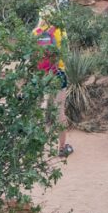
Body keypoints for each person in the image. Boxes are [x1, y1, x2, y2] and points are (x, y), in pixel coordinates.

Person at [33, 12, 73, 157]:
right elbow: (66, 53)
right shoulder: (60, 31)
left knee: (39, 109)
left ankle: (36, 147)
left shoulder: (35, 32)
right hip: (58, 73)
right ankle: (62, 148)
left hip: (40, 75)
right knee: (59, 111)